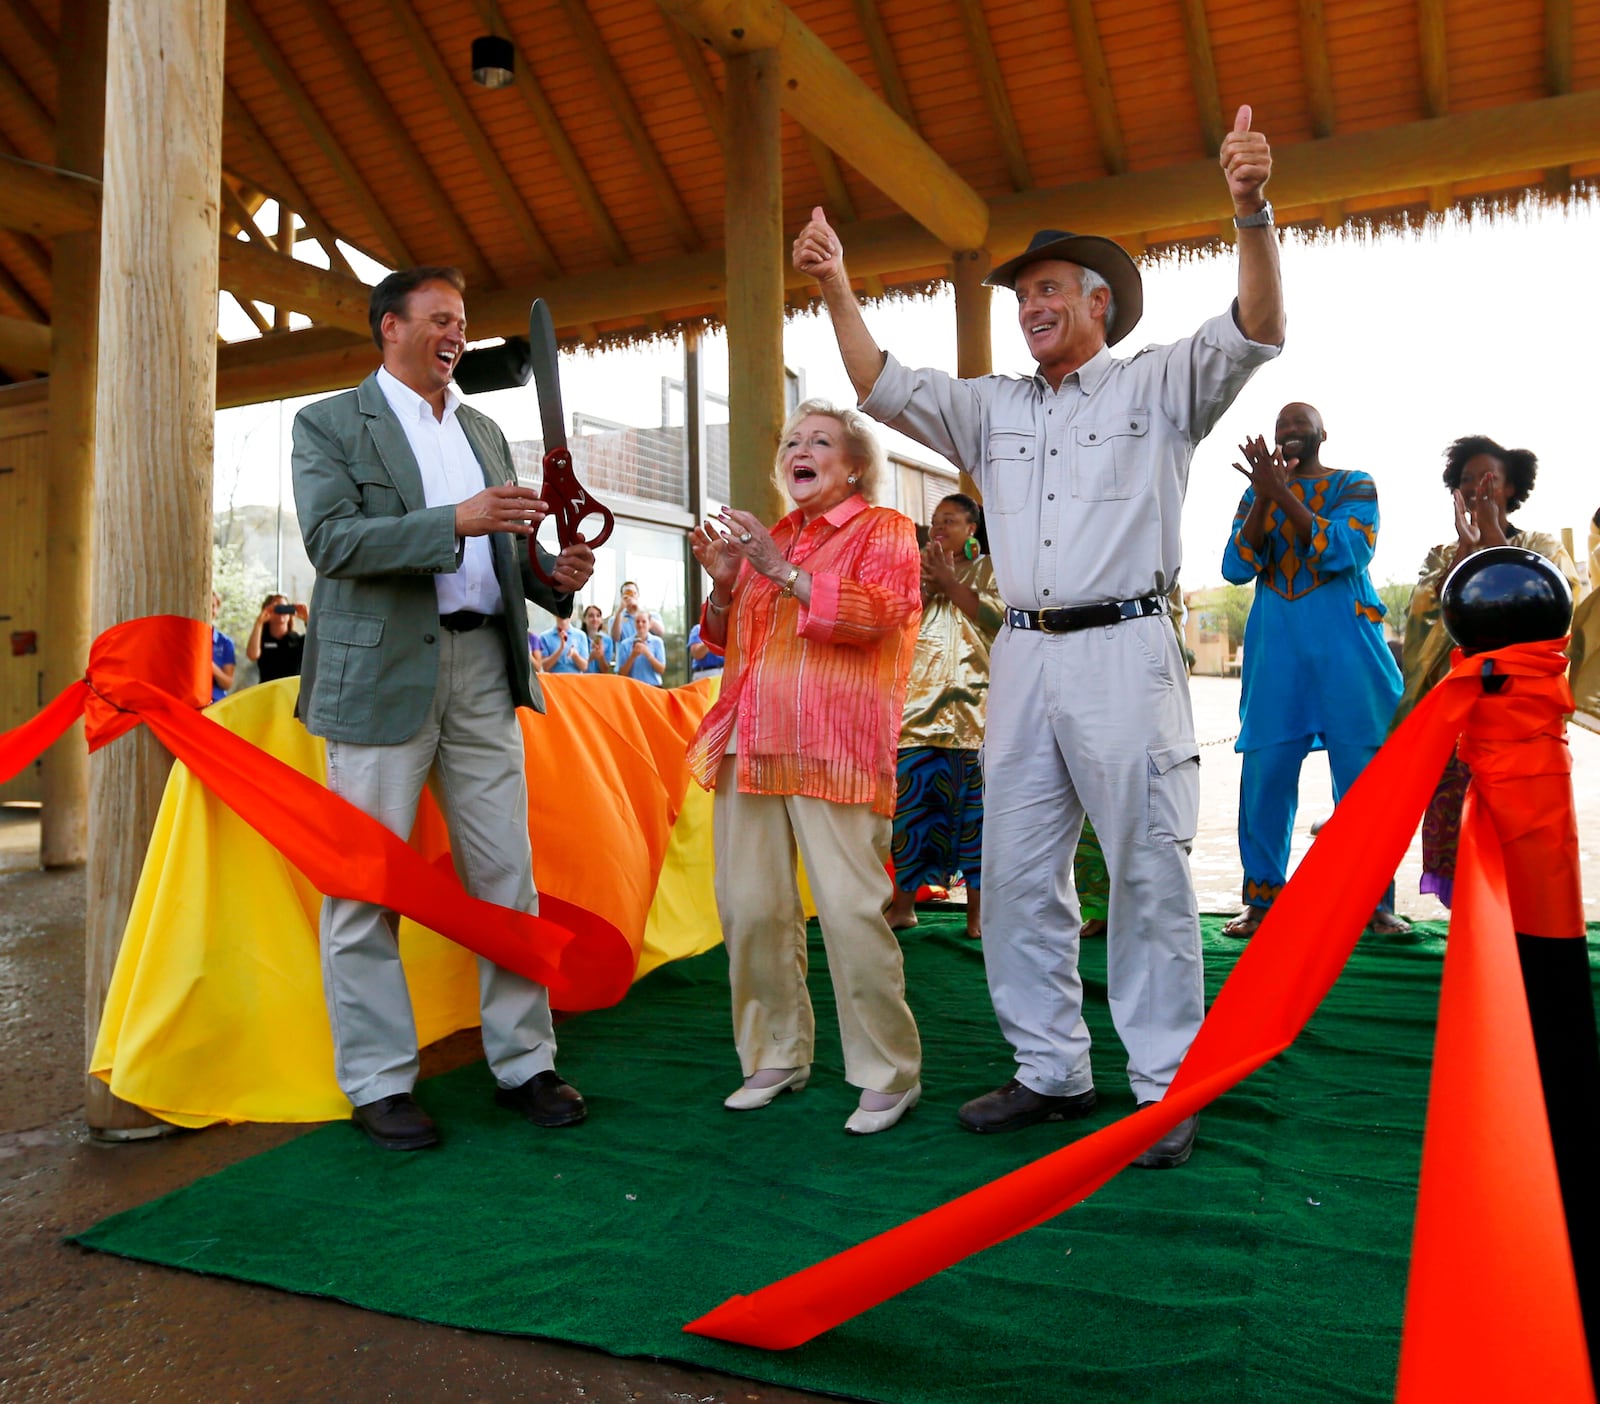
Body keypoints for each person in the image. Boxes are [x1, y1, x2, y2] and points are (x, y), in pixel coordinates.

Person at [794, 104, 1284, 1168]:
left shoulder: (1162, 382)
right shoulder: (991, 408)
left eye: (1047, 290)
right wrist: (834, 284)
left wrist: (1251, 211)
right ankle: (1049, 1070)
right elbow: (879, 383)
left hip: (1124, 650)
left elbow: (1255, 328)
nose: (1029, 307)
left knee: (1147, 868)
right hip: (1022, 653)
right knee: (1014, 873)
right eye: (1021, 296)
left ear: (1100, 303)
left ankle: (1161, 1089)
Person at [291, 265, 596, 1152]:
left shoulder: (486, 430)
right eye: (438, 319)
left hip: (483, 669)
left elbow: (510, 552)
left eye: (461, 321)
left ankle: (525, 1062)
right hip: (379, 676)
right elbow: (331, 541)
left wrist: (553, 578)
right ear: (389, 327)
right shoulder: (329, 423)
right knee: (365, 888)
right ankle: (380, 1083)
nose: (455, 333)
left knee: (506, 873)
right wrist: (456, 519)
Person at [685, 400, 924, 1135]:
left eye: (820, 440)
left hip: (834, 748)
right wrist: (727, 583)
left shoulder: (884, 530)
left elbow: (877, 614)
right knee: (751, 908)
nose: (801, 448)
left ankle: (888, 1072)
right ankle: (775, 1054)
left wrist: (779, 571)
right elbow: (725, 642)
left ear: (853, 464)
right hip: (748, 743)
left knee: (852, 914)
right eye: (792, 439)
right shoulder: (773, 537)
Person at [1218, 404, 1407, 939]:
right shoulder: (1255, 495)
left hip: (1348, 651)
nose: (1290, 433)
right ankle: (1261, 900)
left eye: (1300, 425)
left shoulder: (1356, 484)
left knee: (1362, 783)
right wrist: (1262, 496)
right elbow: (1236, 566)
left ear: (1324, 434)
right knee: (1265, 775)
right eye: (1282, 428)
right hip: (1277, 655)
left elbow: (1349, 550)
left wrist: (1279, 495)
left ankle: (1372, 904)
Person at [1394, 436, 1580, 907]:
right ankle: (1474, 944)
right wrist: (1466, 551)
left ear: (1512, 486)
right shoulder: (1440, 557)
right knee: (1459, 837)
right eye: (1466, 481)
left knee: (1523, 839)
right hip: (1461, 724)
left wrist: (1493, 539)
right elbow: (1430, 624)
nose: (1477, 489)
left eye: (1489, 479)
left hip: (1523, 722)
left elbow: (1554, 613)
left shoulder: (1541, 547)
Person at [887, 493, 1003, 940]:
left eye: (950, 520)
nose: (939, 527)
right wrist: (922, 586)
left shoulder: (991, 571)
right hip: (915, 718)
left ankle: (977, 917)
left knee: (977, 825)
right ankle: (903, 907)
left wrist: (952, 584)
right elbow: (891, 625)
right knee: (910, 819)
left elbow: (999, 621)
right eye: (934, 521)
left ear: (972, 528)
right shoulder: (910, 573)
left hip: (976, 720)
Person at [246, 594, 307, 684]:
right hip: (268, 693)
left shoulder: (297, 640)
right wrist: (259, 622)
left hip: (292, 693)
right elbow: (252, 655)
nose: (281, 612)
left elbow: (319, 647)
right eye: (277, 608)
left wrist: (308, 619)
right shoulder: (262, 639)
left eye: (285, 608)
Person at [618, 609, 667, 685]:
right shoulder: (625, 644)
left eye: (644, 621)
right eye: (637, 622)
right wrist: (633, 656)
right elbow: (621, 673)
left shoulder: (657, 642)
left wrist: (648, 654)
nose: (640, 625)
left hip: (653, 687)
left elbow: (661, 670)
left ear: (649, 624)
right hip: (634, 687)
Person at [209, 592, 236, 703]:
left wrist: (209, 666)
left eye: (213, 606)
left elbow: (227, 683)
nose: (209, 610)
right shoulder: (185, 640)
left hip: (216, 704)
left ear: (217, 609)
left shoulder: (225, 643)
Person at [581, 603, 615, 675]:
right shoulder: (579, 638)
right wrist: (591, 657)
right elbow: (576, 667)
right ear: (584, 619)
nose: (595, 619)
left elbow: (605, 670)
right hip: (582, 679)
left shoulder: (607, 641)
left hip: (599, 680)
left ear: (601, 620)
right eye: (591, 616)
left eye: (598, 616)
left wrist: (600, 656)